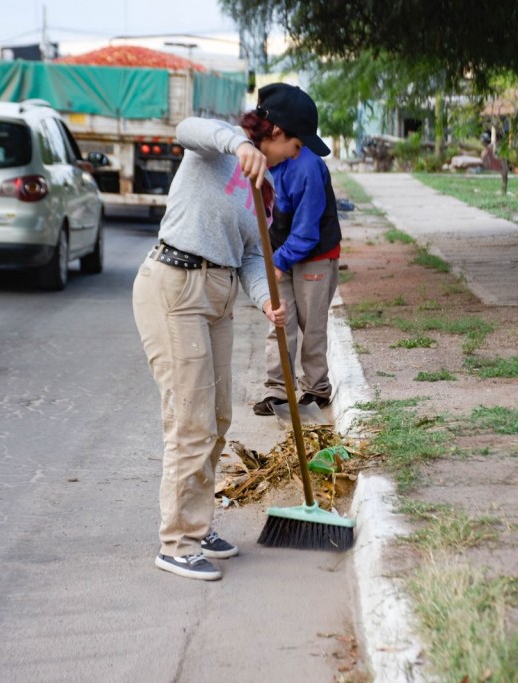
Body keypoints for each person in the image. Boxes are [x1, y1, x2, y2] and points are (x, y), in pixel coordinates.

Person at [132, 83, 329, 580]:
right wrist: (239, 144)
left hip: (218, 296)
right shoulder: (216, 149)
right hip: (177, 287)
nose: (298, 152)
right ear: (277, 133)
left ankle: (197, 524)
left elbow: (249, 256)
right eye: (297, 142)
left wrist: (268, 301)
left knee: (217, 418)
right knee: (191, 418)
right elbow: (187, 128)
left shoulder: (260, 189)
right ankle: (177, 542)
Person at [252, 85, 340, 417]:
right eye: (298, 142)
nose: (296, 150)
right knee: (280, 321)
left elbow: (306, 231)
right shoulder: (261, 158)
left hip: (314, 253)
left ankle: (316, 388)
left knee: (311, 324)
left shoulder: (308, 167)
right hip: (279, 253)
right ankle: (279, 390)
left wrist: (278, 262)